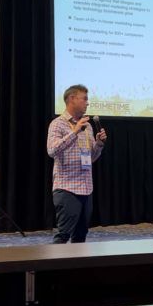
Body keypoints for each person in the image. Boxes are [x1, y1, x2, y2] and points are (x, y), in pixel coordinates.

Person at [46, 84, 107, 243]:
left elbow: (91, 157)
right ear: (72, 99)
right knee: (63, 235)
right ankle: (53, 260)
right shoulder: (58, 124)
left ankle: (77, 261)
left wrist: (99, 144)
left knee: (81, 236)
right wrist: (74, 132)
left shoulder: (87, 126)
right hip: (67, 188)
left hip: (86, 188)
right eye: (84, 99)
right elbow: (52, 150)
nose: (87, 103)